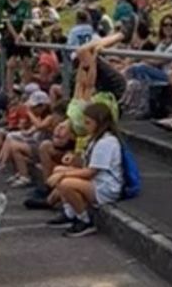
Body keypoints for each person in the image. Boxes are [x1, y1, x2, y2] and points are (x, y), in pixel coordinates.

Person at [46, 101, 124, 237]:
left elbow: (91, 171)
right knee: (58, 170)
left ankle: (84, 220)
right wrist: (72, 160)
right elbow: (86, 163)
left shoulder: (106, 142)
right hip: (96, 181)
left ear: (99, 123)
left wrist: (64, 174)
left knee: (65, 182)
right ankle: (70, 213)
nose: (85, 126)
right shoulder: (95, 139)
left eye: (88, 123)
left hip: (105, 186)